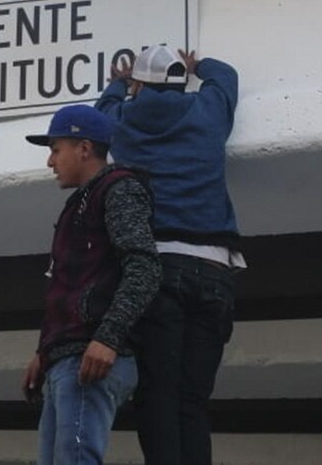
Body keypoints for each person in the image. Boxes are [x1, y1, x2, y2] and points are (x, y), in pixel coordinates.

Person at [95, 45, 242, 465]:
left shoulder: (124, 122)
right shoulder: (207, 112)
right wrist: (201, 67)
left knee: (158, 394)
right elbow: (225, 75)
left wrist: (116, 84)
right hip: (216, 270)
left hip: (159, 271)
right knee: (193, 400)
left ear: (138, 85)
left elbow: (102, 113)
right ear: (181, 81)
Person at [22, 104, 161, 465]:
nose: (50, 162)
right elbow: (67, 286)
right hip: (68, 359)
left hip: (89, 360)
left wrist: (107, 338)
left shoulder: (118, 190)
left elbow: (145, 267)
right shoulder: (80, 203)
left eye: (55, 149)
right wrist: (45, 351)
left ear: (83, 148)